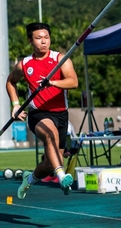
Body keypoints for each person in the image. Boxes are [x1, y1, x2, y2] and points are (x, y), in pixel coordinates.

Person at [6, 22, 79, 199]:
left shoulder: (61, 59)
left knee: (50, 163)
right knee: (50, 134)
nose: (43, 42)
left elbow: (73, 82)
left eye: (46, 37)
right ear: (30, 40)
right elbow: (10, 82)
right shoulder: (24, 64)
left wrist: (52, 82)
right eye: (38, 38)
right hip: (38, 113)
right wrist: (15, 104)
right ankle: (62, 177)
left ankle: (29, 179)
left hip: (61, 114)